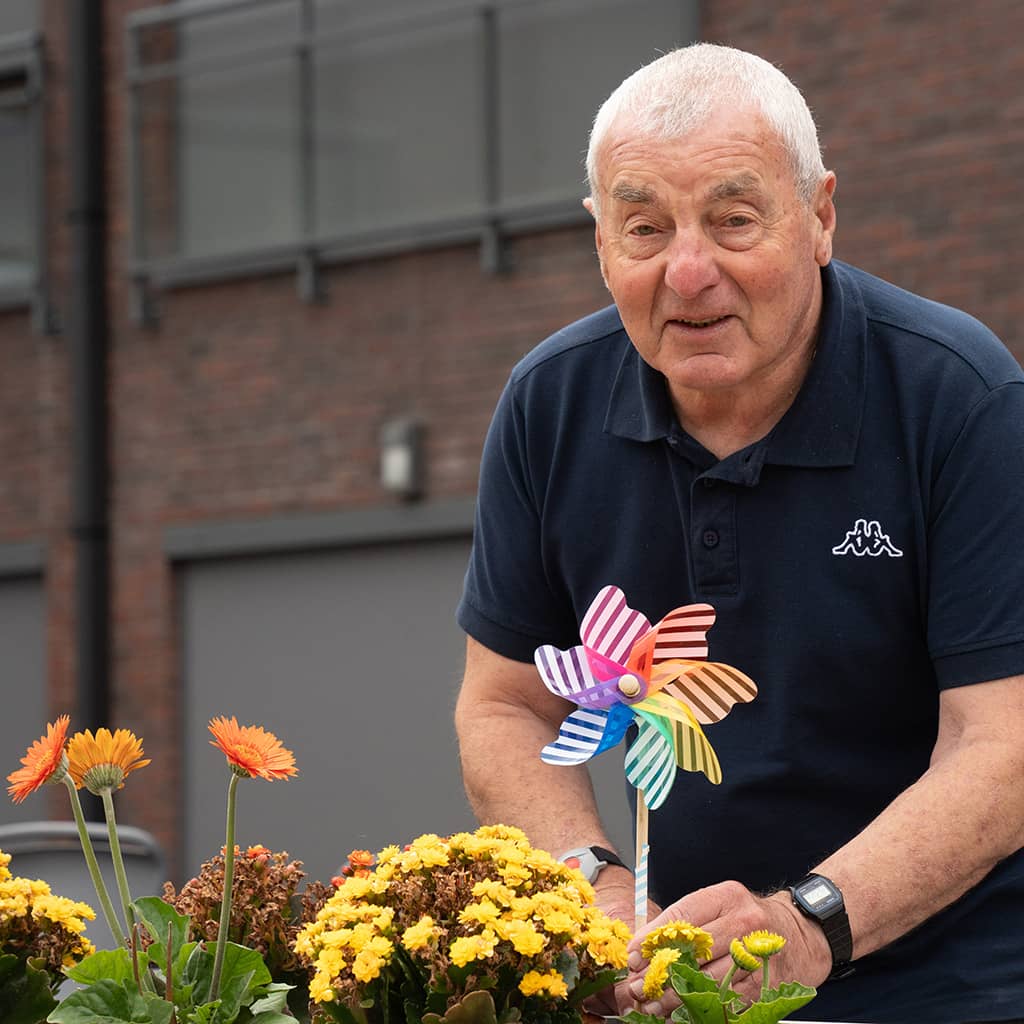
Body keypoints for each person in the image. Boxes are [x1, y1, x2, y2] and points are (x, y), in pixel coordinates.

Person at [453, 42, 1024, 1024]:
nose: (688, 272)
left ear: (820, 218)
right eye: (643, 228)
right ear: (599, 242)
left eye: (732, 219)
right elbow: (505, 706)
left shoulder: (958, 398)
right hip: (663, 994)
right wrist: (590, 890)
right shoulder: (547, 404)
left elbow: (1000, 741)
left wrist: (806, 927)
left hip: (945, 985)